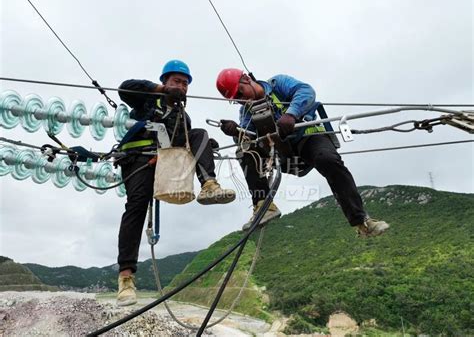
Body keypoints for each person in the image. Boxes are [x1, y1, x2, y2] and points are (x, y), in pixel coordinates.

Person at [115, 60, 235, 306]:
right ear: (165, 82)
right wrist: (160, 91)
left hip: (168, 164)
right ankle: (126, 279)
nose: (181, 86)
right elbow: (124, 89)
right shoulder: (147, 100)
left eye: (185, 83)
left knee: (201, 135)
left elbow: (184, 142)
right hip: (140, 159)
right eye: (176, 81)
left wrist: (203, 148)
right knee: (136, 205)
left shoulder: (183, 117)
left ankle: (209, 185)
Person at [215, 68, 389, 236]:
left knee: (328, 160)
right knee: (245, 152)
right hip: (284, 153)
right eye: (235, 99)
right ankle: (264, 206)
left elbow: (306, 91)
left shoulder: (278, 84)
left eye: (240, 93)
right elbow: (250, 140)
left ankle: (361, 222)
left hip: (308, 138)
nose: (241, 100)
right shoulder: (246, 112)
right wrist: (237, 132)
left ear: (246, 79)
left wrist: (292, 113)